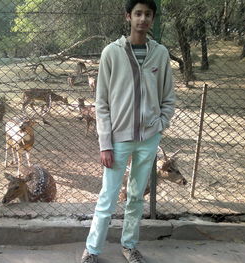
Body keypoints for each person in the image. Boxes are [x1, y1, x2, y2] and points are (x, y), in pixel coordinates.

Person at [81, 0, 175, 262]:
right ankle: (92, 250)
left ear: (153, 19)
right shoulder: (111, 53)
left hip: (148, 140)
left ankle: (129, 245)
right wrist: (105, 143)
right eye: (138, 13)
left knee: (136, 196)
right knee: (108, 197)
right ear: (128, 17)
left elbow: (168, 97)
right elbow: (102, 102)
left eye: (148, 14)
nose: (142, 19)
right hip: (118, 141)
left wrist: (160, 125)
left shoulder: (160, 54)